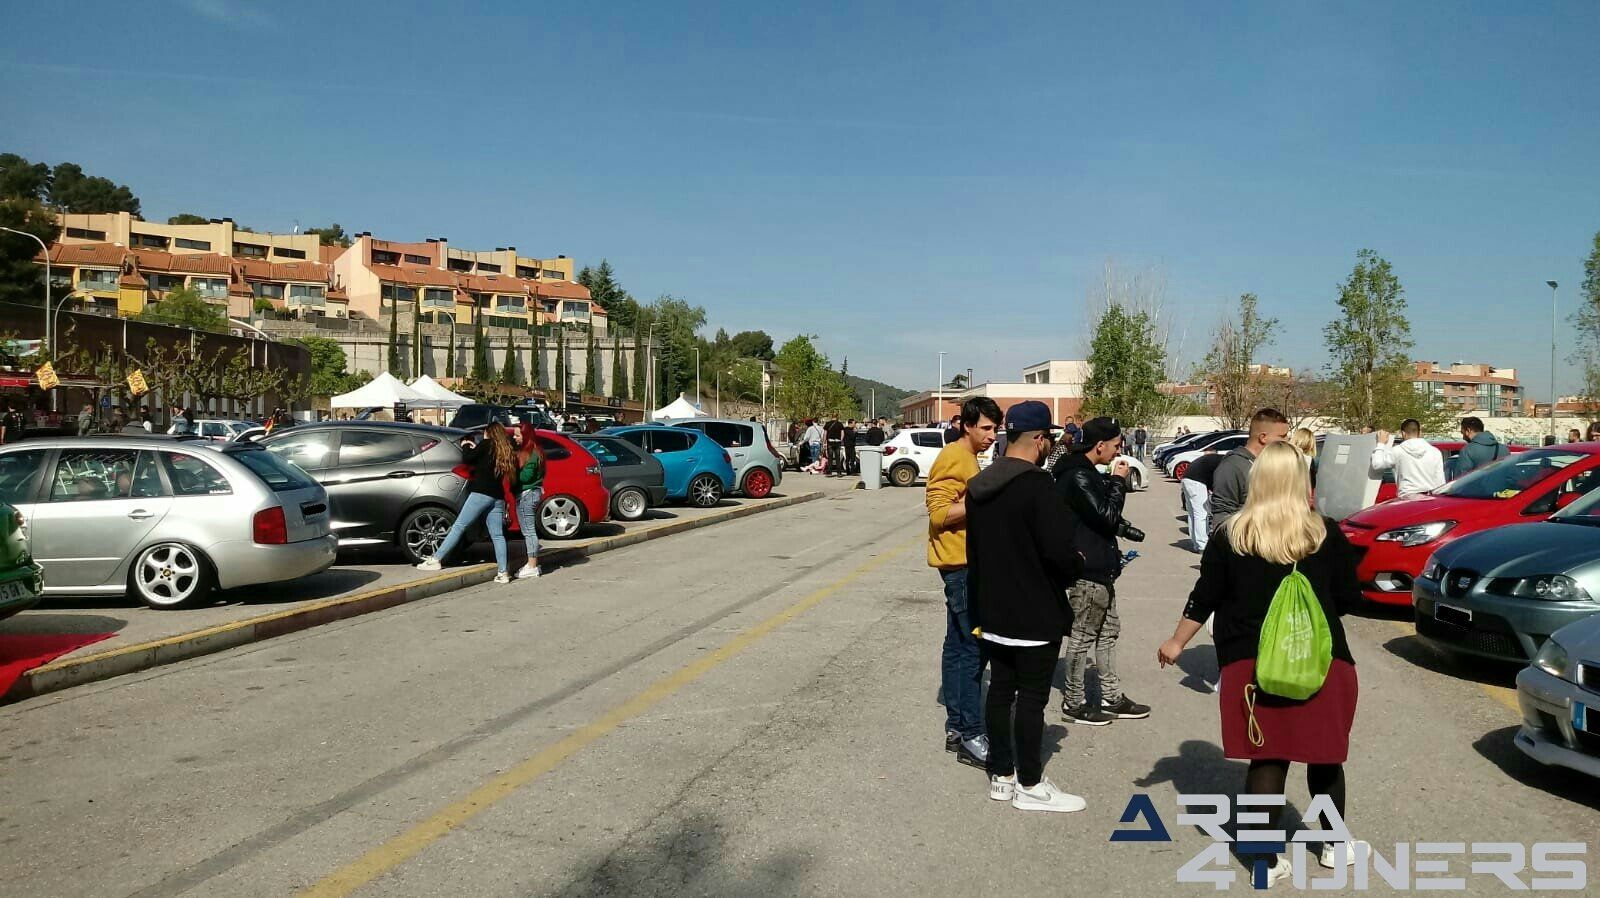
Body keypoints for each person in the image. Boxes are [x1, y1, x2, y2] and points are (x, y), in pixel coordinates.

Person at [1158, 442, 1364, 884]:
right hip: (1321, 664)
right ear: (1301, 480)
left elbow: (1205, 597)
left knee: (1266, 761)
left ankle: (1264, 861)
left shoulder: (1232, 535)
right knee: (1326, 760)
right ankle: (1333, 844)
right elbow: (1348, 599)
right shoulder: (1324, 533)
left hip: (1249, 666)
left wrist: (1177, 641)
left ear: (1258, 480)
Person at [967, 400, 1086, 812]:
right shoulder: (1038, 485)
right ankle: (1031, 784)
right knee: (1032, 697)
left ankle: (1002, 775)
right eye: (1048, 439)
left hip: (993, 607)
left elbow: (974, 551)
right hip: (1035, 608)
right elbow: (1059, 551)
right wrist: (1077, 565)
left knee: (1001, 691)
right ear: (1039, 440)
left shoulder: (981, 484)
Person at [1053, 416, 1150, 725]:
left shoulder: (1086, 474)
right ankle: (1074, 701)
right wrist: (1119, 481)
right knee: (1082, 637)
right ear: (1099, 445)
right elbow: (1106, 516)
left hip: (1102, 569)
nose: (1119, 451)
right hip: (1086, 571)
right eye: (1116, 445)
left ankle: (1110, 695)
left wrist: (1125, 529)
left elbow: (1100, 518)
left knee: (1108, 632)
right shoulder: (1077, 476)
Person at [925, 396, 1001, 769]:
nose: (991, 435)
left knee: (957, 647)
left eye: (995, 429)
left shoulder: (968, 458)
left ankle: (957, 727)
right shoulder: (954, 458)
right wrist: (986, 501)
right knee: (971, 650)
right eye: (986, 428)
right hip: (960, 567)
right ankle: (972, 733)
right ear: (966, 425)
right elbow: (939, 514)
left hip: (962, 564)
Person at [418, 422, 516, 582]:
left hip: (481, 493)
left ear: (488, 433)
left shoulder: (486, 444)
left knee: (459, 526)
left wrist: (466, 446)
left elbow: (469, 458)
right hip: (497, 496)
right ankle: (503, 572)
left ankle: (436, 559)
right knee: (497, 535)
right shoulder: (504, 450)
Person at [1209, 408, 1290, 534]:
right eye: (1282, 436)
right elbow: (1222, 517)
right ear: (1263, 437)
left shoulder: (1272, 464)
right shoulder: (1232, 466)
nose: (1287, 441)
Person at [1370, 419, 1445, 499]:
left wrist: (1380, 443)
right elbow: (1440, 482)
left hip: (1406, 499)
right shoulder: (1435, 452)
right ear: (1420, 433)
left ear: (1403, 433)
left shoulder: (1397, 451)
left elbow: (1376, 464)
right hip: (1430, 498)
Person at [511, 424, 545, 580]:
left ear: (526, 436)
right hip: (531, 493)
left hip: (527, 494)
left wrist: (512, 469)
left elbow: (525, 477)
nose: (514, 438)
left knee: (529, 531)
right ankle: (531, 564)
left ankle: (532, 565)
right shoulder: (535, 452)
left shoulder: (530, 454)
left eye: (517, 435)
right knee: (528, 530)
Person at [1182, 449, 1225, 553]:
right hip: (1197, 481)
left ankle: (1196, 543)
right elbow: (1219, 480)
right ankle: (1202, 545)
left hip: (1186, 478)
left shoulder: (1219, 460)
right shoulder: (1226, 463)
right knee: (1201, 514)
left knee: (1193, 514)